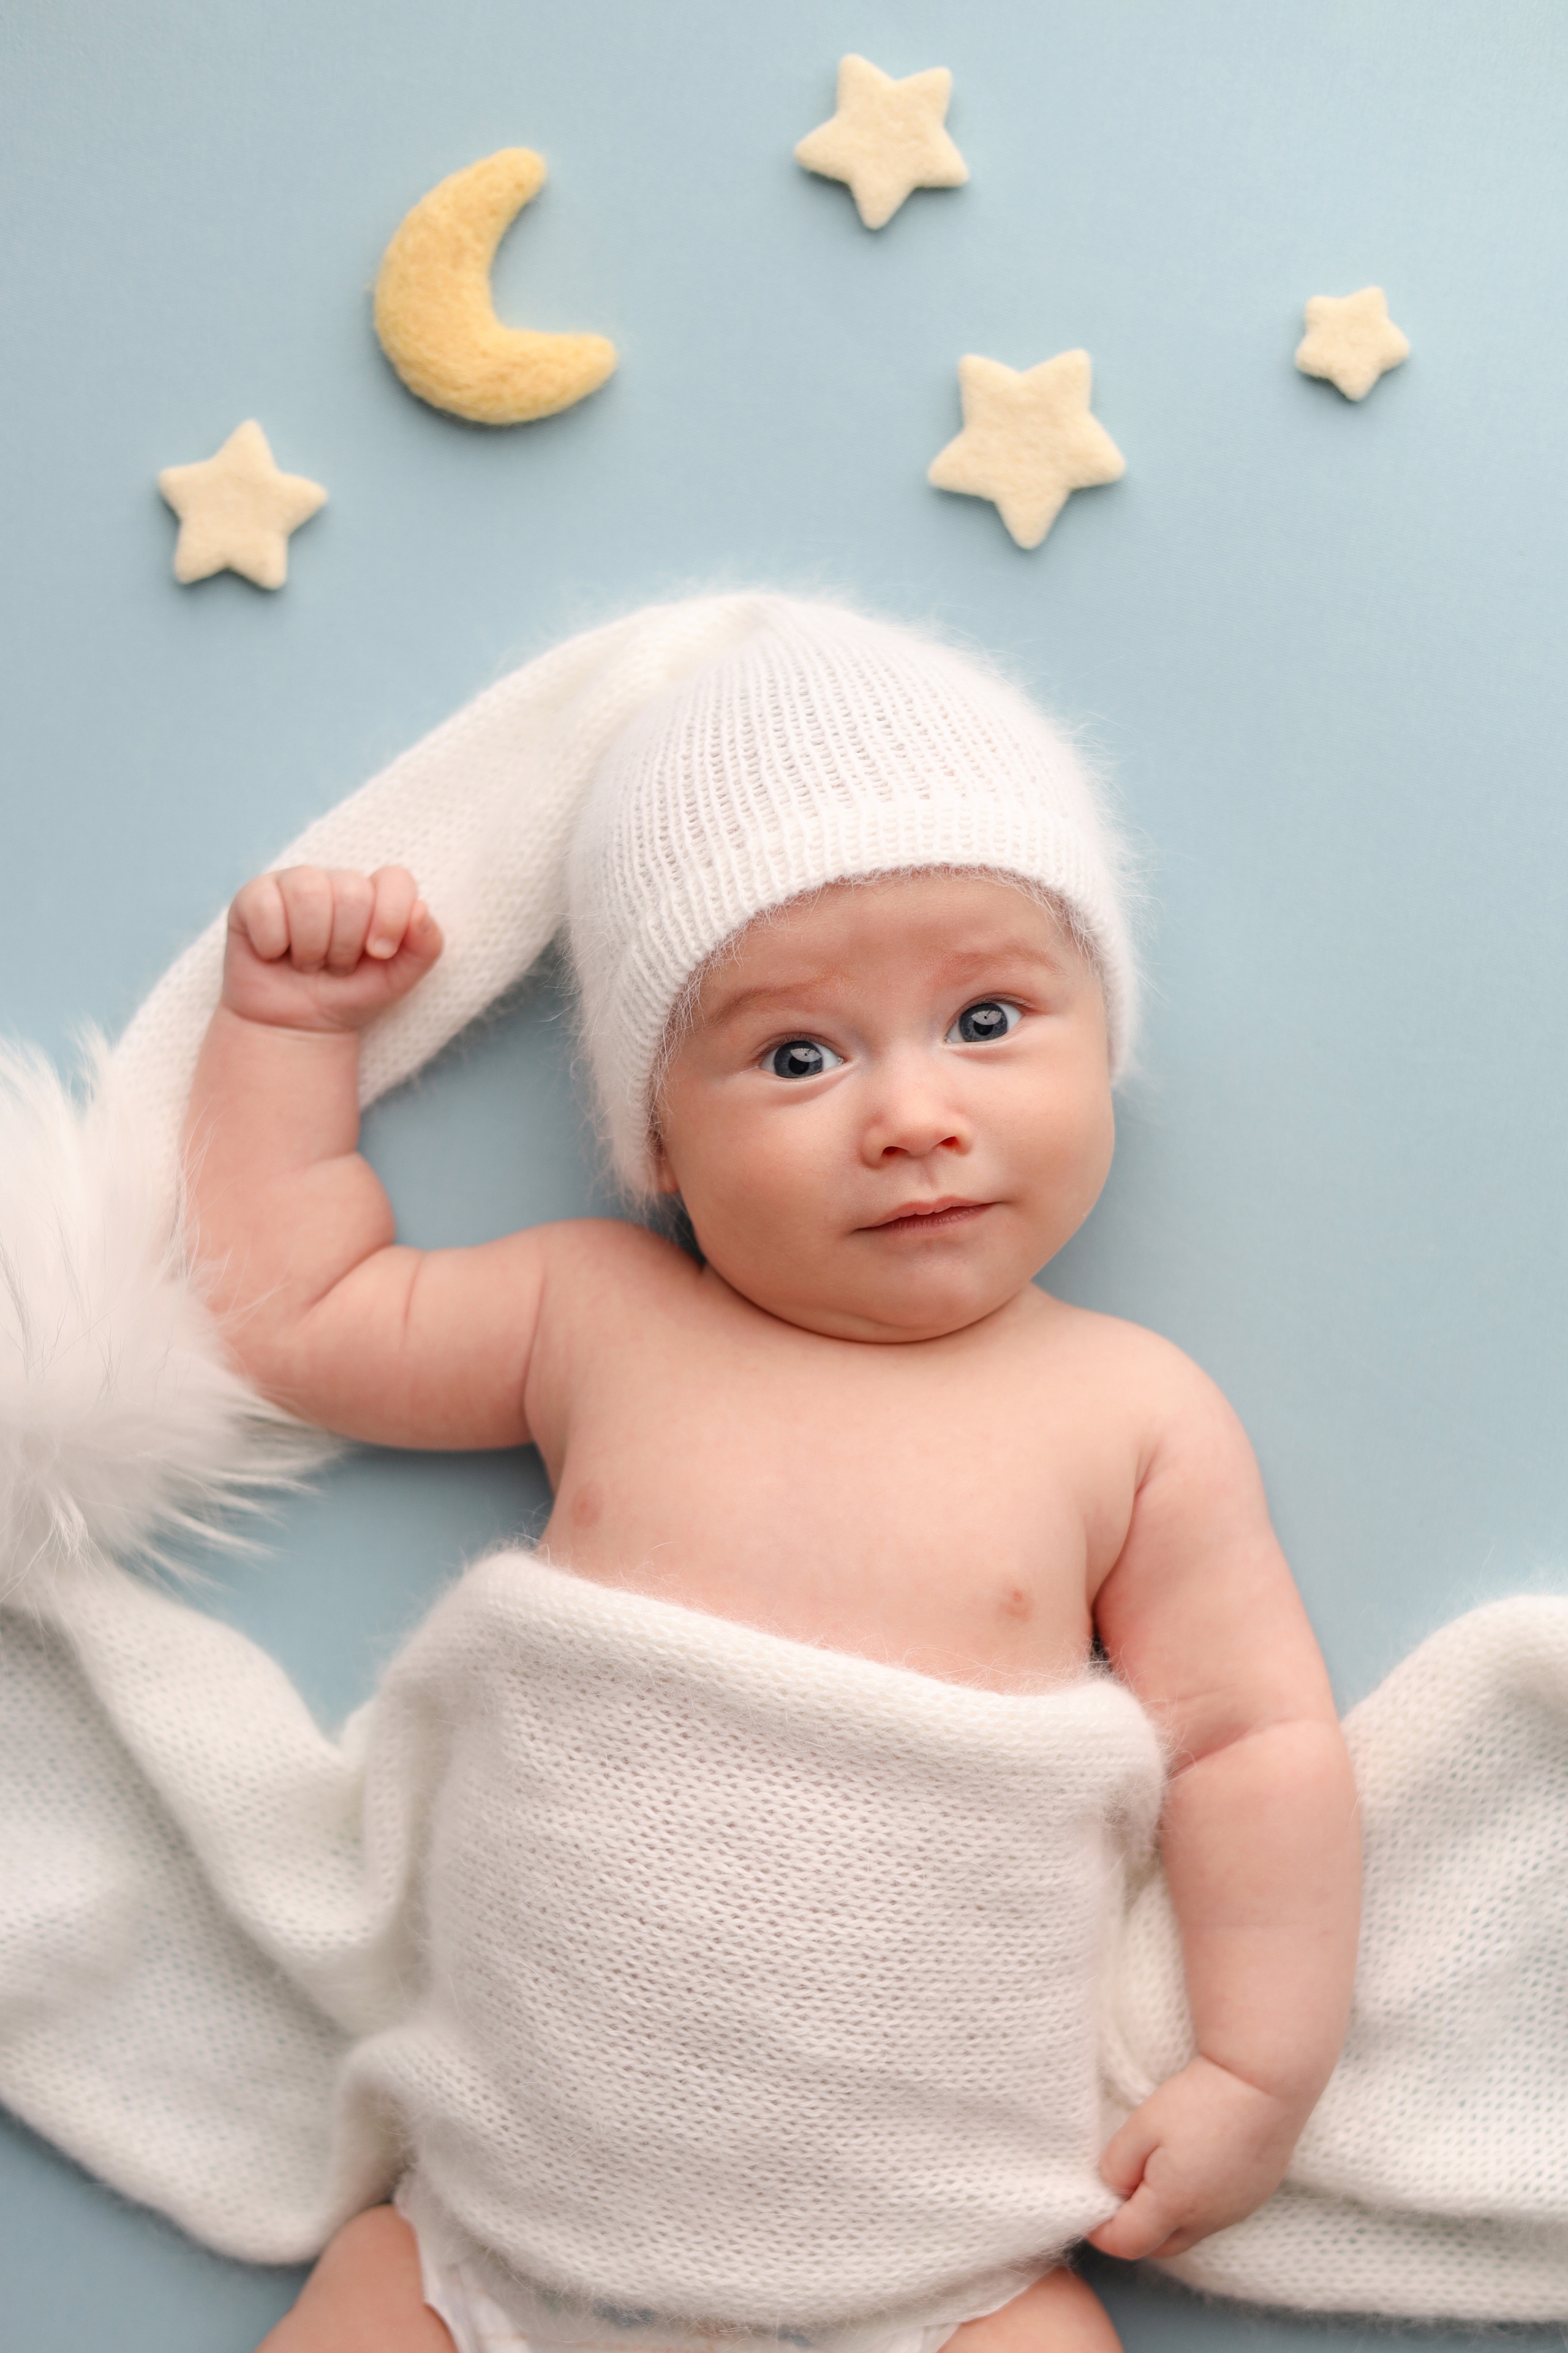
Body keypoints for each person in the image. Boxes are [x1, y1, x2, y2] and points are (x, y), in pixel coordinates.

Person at [178, 601, 1360, 2353]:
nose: (910, 1114)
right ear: (657, 1136)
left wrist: (1263, 2060)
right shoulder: (598, 1315)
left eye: (986, 1016)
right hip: (499, 2249)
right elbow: (300, 1311)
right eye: (798, 1055)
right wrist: (284, 1034)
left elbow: (1252, 1740)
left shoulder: (1129, 1410)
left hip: (932, 2282)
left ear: (1104, 1037)